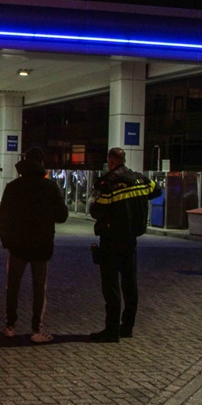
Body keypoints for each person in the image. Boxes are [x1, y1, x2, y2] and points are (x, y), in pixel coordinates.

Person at [88, 147, 162, 342]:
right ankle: (127, 327)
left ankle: (111, 330)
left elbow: (96, 210)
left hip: (111, 240)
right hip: (131, 240)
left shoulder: (108, 183)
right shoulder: (140, 179)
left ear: (111, 161)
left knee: (111, 286)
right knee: (130, 285)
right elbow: (157, 190)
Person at [0, 147, 69, 343]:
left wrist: (7, 242)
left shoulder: (13, 187)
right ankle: (36, 330)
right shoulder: (50, 187)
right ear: (41, 163)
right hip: (42, 246)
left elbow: (3, 217)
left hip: (17, 246)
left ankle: (10, 326)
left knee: (13, 287)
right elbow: (62, 216)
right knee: (39, 289)